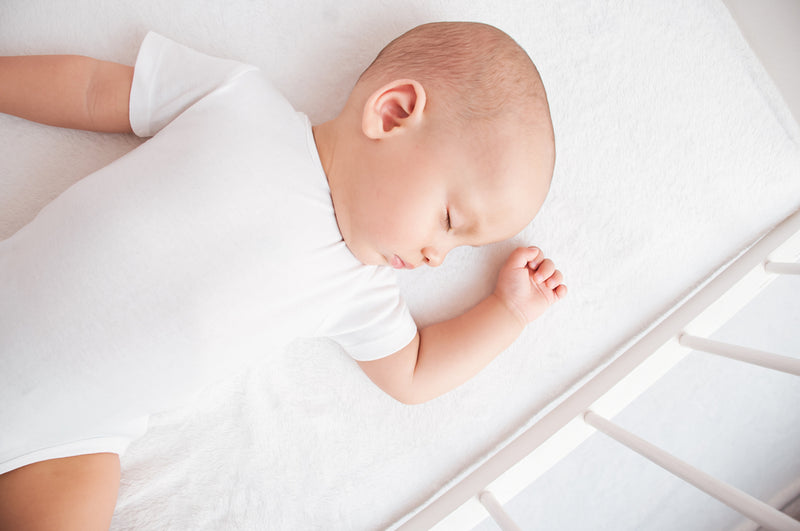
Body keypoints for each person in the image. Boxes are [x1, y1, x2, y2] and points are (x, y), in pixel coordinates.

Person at [0, 21, 565, 529]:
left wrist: (508, 311)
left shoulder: (360, 289)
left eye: (461, 248)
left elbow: (414, 372)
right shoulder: (237, 100)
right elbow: (94, 90)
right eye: (449, 221)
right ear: (392, 114)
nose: (437, 257)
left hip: (64, 445)